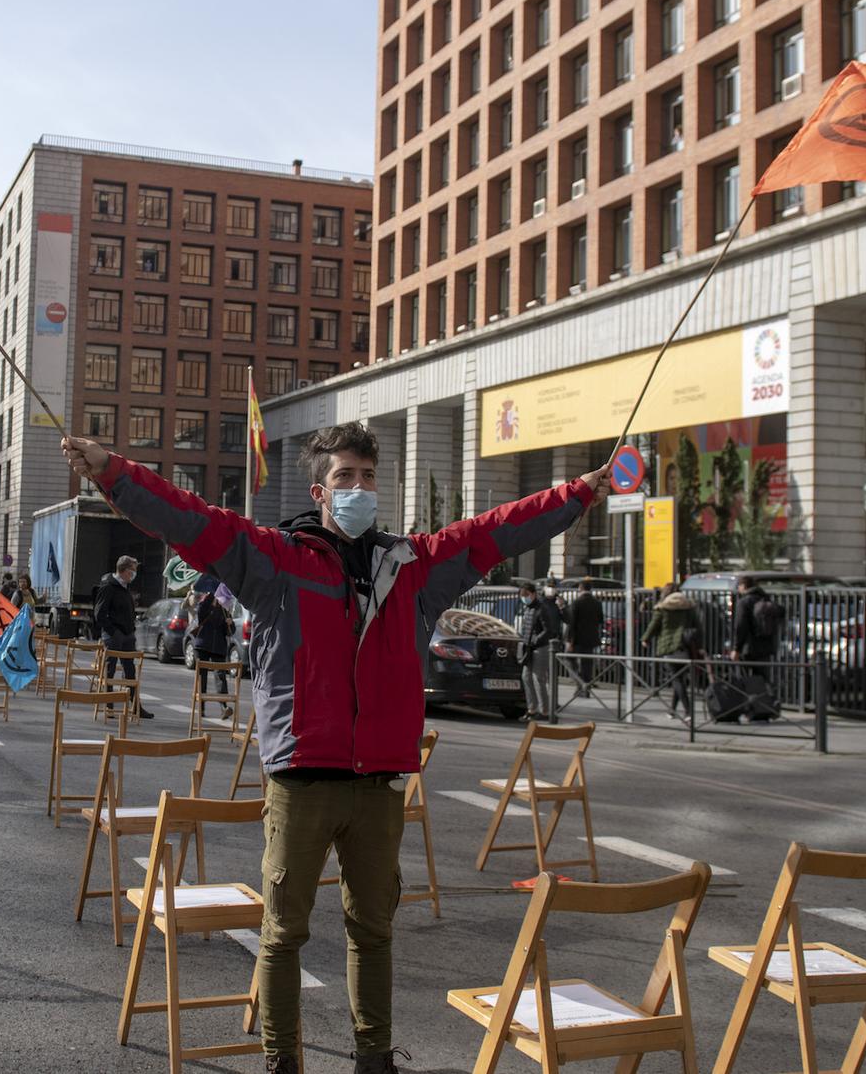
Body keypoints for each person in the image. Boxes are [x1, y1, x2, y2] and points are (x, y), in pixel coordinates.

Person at [62, 424, 608, 1074]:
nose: (359, 488)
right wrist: (112, 470)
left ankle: (373, 1058)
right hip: (301, 778)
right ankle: (281, 1060)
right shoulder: (275, 560)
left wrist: (578, 492)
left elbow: (496, 530)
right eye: (346, 477)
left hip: (378, 782)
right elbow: (191, 521)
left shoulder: (415, 567)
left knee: (374, 930)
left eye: (369, 476)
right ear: (321, 490)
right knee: (283, 931)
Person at [93, 555, 152, 719]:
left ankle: (135, 706)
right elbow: (99, 614)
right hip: (114, 635)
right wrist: (113, 631)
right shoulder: (108, 586)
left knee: (130, 671)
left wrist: (130, 629)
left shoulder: (125, 587)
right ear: (124, 571)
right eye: (133, 570)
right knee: (110, 670)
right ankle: (109, 704)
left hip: (127, 635)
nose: (134, 574)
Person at [642, 589, 703, 720]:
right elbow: (698, 626)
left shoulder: (662, 609)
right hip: (685, 646)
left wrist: (645, 639)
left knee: (676, 679)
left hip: (668, 647)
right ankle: (672, 710)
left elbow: (653, 625)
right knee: (679, 678)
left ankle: (688, 711)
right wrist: (700, 646)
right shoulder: (688, 608)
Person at [516, 580, 561, 722]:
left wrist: (534, 641)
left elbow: (549, 630)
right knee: (526, 677)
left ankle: (545, 710)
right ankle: (532, 709)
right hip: (529, 647)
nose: (524, 597)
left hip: (540, 648)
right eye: (522, 595)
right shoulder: (528, 608)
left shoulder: (542, 608)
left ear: (534, 594)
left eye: (526, 594)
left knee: (538, 678)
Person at [728, 576, 782, 684]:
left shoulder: (743, 602)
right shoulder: (766, 599)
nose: (738, 589)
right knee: (762, 679)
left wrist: (736, 648)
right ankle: (767, 698)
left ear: (743, 586)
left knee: (744, 680)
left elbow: (740, 626)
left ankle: (748, 699)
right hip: (765, 647)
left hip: (748, 648)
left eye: (738, 586)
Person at [191, 590, 236, 718]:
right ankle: (201, 708)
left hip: (218, 648)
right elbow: (201, 611)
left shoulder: (224, 611)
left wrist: (230, 624)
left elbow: (230, 632)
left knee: (221, 677)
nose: (220, 600)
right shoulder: (205, 606)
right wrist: (213, 593)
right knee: (202, 677)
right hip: (202, 646)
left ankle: (224, 707)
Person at [566, 580, 604, 690]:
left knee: (569, 659)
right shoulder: (597, 603)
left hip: (577, 639)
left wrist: (570, 641)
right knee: (587, 663)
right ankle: (586, 686)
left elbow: (572, 623)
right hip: (591, 639)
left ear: (580, 588)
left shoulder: (577, 602)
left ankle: (580, 681)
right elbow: (600, 620)